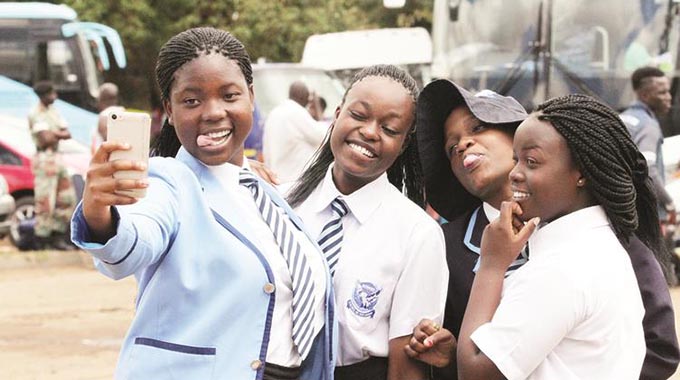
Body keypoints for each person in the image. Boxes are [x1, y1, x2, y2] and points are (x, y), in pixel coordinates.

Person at [70, 27, 335, 380]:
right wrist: (100, 214)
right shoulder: (169, 182)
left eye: (229, 96)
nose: (213, 112)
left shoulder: (263, 193)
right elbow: (133, 242)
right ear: (169, 109)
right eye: (192, 101)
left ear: (251, 97)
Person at [407, 81, 679, 379]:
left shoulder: (591, 245)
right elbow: (478, 355)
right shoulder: (445, 246)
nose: (463, 145)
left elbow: (656, 346)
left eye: (477, 127)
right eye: (450, 147)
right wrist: (454, 354)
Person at [286, 65, 449, 380]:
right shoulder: (283, 202)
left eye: (389, 129)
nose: (371, 132)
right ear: (336, 115)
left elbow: (406, 366)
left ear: (403, 144)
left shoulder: (417, 234)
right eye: (359, 116)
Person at [621, 67, 675, 229]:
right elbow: (648, 169)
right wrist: (669, 202)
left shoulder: (624, 118)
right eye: (662, 93)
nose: (669, 98)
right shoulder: (647, 126)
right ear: (645, 95)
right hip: (643, 217)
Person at [28, 81, 77, 250]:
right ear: (43, 95)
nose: (54, 96)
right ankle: (41, 238)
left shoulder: (54, 112)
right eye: (51, 94)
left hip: (57, 157)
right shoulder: (35, 113)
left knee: (65, 197)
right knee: (45, 200)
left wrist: (52, 132)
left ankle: (57, 236)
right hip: (44, 158)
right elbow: (44, 139)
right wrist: (58, 134)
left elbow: (68, 133)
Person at [263, 81, 328, 182]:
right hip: (294, 179)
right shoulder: (296, 112)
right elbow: (322, 135)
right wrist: (317, 105)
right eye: (308, 97)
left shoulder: (274, 113)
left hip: (277, 178)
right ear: (303, 97)